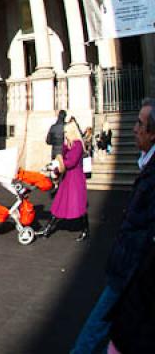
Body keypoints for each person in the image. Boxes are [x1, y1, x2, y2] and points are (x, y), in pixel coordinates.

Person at [71, 98, 155, 353]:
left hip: (132, 272)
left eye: (140, 124)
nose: (134, 129)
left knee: (98, 327)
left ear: (152, 133)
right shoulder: (147, 164)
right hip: (131, 269)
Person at [37, 120, 89, 241]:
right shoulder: (70, 144)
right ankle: (47, 229)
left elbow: (70, 162)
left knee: (79, 207)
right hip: (68, 179)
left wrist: (57, 165)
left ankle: (86, 230)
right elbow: (64, 158)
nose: (64, 134)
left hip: (75, 179)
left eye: (66, 131)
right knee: (59, 204)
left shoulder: (77, 145)